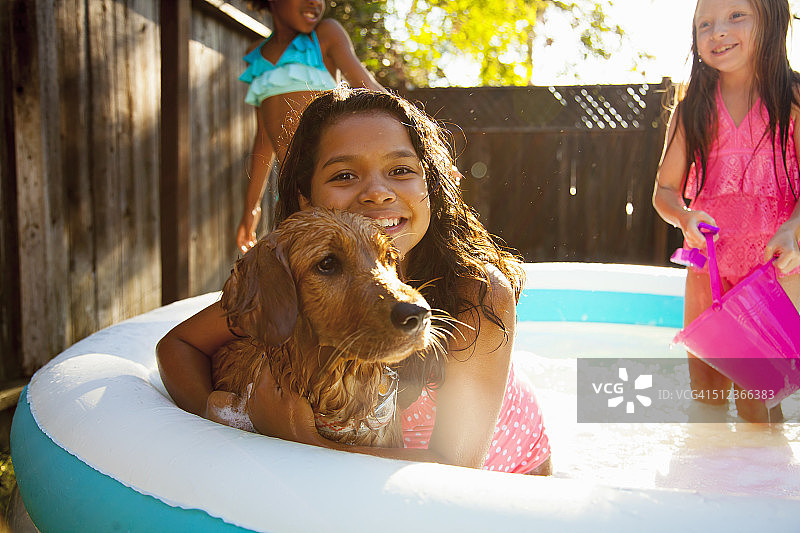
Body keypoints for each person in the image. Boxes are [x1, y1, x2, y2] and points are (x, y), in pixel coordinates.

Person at [157, 86, 552, 475]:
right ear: (305, 198)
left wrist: (304, 443)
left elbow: (458, 471)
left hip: (505, 477)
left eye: (400, 170)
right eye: (345, 175)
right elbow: (178, 345)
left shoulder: (478, 295)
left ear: (429, 185)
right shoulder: (291, 280)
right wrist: (219, 418)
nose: (378, 193)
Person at [653, 0, 800, 422]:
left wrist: (793, 229)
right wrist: (684, 216)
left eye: (736, 16)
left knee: (759, 404)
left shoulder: (790, 99)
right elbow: (664, 189)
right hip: (708, 267)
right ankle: (709, 487)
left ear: (771, 21)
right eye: (705, 24)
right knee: (708, 399)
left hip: (773, 269)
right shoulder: (694, 108)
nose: (717, 31)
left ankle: (767, 486)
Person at [236, 0, 384, 253]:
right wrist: (252, 206)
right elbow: (264, 137)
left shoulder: (326, 35)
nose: (315, 2)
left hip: (339, 187)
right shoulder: (257, 56)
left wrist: (424, 144)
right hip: (294, 196)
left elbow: (375, 92)